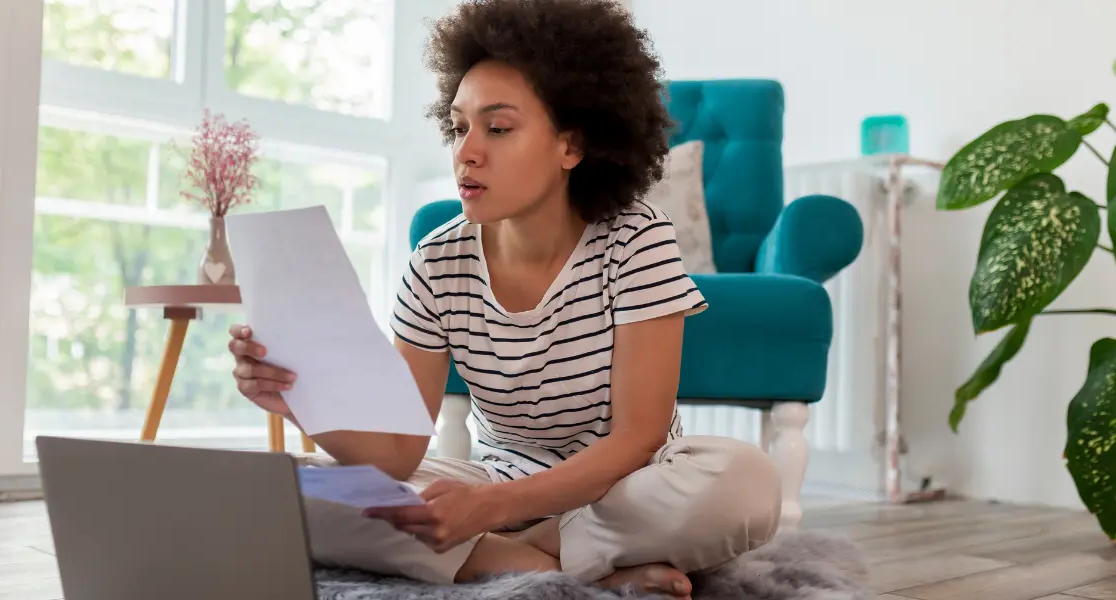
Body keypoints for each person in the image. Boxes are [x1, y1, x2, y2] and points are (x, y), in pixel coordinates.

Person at [227, 0, 781, 597]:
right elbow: (397, 450)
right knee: (295, 488)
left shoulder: (635, 237)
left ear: (571, 146)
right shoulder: (436, 262)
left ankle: (505, 557)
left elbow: (637, 438)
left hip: (622, 486)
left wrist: (488, 510)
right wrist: (304, 399)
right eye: (459, 125)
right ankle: (566, 567)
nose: (467, 150)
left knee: (743, 481)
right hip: (493, 475)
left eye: (498, 127)